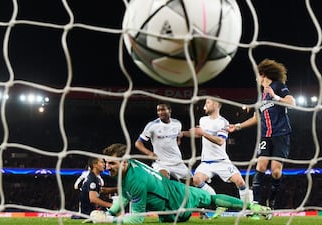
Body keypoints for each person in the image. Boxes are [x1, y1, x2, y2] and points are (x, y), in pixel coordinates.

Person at [92, 143, 271, 224]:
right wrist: (109, 212)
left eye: (112, 163)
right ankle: (251, 207)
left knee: (211, 199)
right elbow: (124, 196)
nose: (108, 167)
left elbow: (137, 219)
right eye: (107, 163)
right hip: (171, 203)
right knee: (211, 199)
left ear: (124, 162)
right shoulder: (131, 167)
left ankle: (253, 207)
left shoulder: (135, 180)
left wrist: (109, 220)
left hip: (178, 199)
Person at [228, 59, 295, 209]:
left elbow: (292, 103)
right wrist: (237, 126)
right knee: (261, 165)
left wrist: (275, 96)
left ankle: (271, 201)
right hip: (265, 135)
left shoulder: (278, 86)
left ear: (263, 74)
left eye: (257, 76)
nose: (256, 79)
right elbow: (256, 118)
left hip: (281, 134)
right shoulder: (260, 97)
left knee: (276, 172)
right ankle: (256, 204)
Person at [183, 98, 253, 205]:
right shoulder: (203, 120)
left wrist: (203, 133)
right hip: (206, 162)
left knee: (240, 182)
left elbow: (220, 141)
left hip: (222, 161)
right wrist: (183, 133)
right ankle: (215, 200)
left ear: (216, 104)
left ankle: (248, 209)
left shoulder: (223, 122)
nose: (204, 106)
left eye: (208, 103)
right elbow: (198, 134)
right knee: (197, 180)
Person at [135, 102, 192, 181]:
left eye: (163, 110)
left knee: (193, 183)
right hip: (161, 163)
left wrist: (177, 141)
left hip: (177, 161)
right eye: (158, 110)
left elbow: (178, 136)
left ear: (169, 110)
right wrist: (149, 153)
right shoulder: (152, 125)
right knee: (163, 179)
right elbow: (138, 143)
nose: (160, 112)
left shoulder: (177, 123)